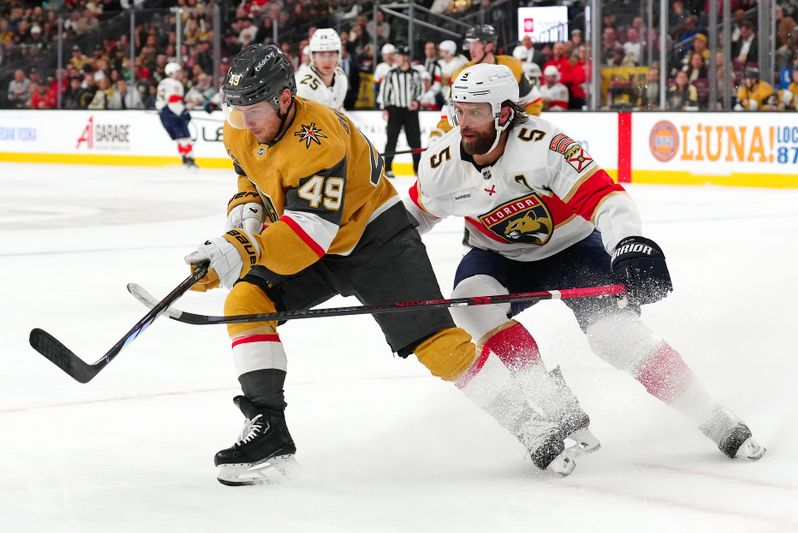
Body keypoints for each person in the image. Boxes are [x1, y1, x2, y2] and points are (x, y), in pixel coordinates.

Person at [184, 44, 595, 485]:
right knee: (246, 300)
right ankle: (270, 437)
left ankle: (532, 426)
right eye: (237, 108)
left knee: (439, 347)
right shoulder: (240, 126)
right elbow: (249, 172)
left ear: (285, 98)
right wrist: (246, 210)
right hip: (312, 236)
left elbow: (308, 240)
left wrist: (245, 249)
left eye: (256, 109)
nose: (246, 121)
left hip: (376, 240)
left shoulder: (319, 139)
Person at [404, 63, 767, 466]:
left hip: (574, 249)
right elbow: (413, 217)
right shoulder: (441, 162)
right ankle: (550, 401)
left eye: (477, 112)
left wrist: (628, 243)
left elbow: (606, 199)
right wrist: (369, 256)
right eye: (459, 110)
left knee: (616, 338)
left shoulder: (546, 145)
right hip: (498, 257)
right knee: (469, 302)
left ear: (505, 113)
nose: (463, 123)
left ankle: (713, 417)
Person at [430, 24, 542, 140]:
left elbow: (533, 100)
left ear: (489, 45)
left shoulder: (511, 67)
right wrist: (440, 132)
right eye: (470, 44)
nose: (471, 50)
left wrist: (523, 129)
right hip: (478, 135)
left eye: (476, 44)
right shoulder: (462, 74)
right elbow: (451, 109)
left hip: (506, 133)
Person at [378, 43, 426, 177]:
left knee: (415, 141)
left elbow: (420, 90)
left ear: (405, 57)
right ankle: (387, 168)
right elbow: (385, 91)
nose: (396, 58)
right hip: (395, 110)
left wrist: (416, 102)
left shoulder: (415, 74)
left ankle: (418, 169)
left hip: (411, 111)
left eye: (398, 55)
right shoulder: (391, 74)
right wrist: (385, 108)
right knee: (391, 139)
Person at [294, 28, 348, 111]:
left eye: (331, 54)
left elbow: (339, 110)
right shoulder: (302, 87)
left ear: (339, 55)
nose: (327, 61)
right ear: (313, 56)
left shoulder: (341, 76)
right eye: (321, 55)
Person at [156, 62, 197, 168]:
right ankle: (189, 158)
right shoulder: (175, 83)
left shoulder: (162, 83)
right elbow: (172, 99)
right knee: (185, 136)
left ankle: (183, 157)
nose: (180, 74)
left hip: (163, 113)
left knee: (179, 138)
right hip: (172, 112)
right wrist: (182, 111)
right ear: (171, 72)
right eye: (178, 71)